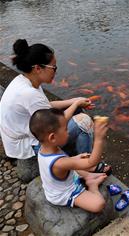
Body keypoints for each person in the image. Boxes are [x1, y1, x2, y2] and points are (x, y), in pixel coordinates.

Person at [0, 39, 109, 182]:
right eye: (53, 68)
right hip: (28, 145)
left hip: (23, 135)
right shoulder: (29, 93)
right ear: (38, 68)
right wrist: (75, 105)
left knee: (76, 113)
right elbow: (54, 123)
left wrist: (73, 101)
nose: (55, 71)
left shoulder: (24, 80)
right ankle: (86, 165)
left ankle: (83, 160)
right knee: (84, 121)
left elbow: (47, 105)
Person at [29, 108, 108, 212]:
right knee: (99, 204)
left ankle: (88, 176)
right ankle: (92, 185)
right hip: (64, 193)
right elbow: (91, 163)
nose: (68, 131)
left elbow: (67, 162)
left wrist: (75, 158)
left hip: (60, 181)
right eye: (66, 129)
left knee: (74, 165)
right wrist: (99, 139)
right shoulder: (59, 163)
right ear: (52, 137)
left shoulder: (44, 148)